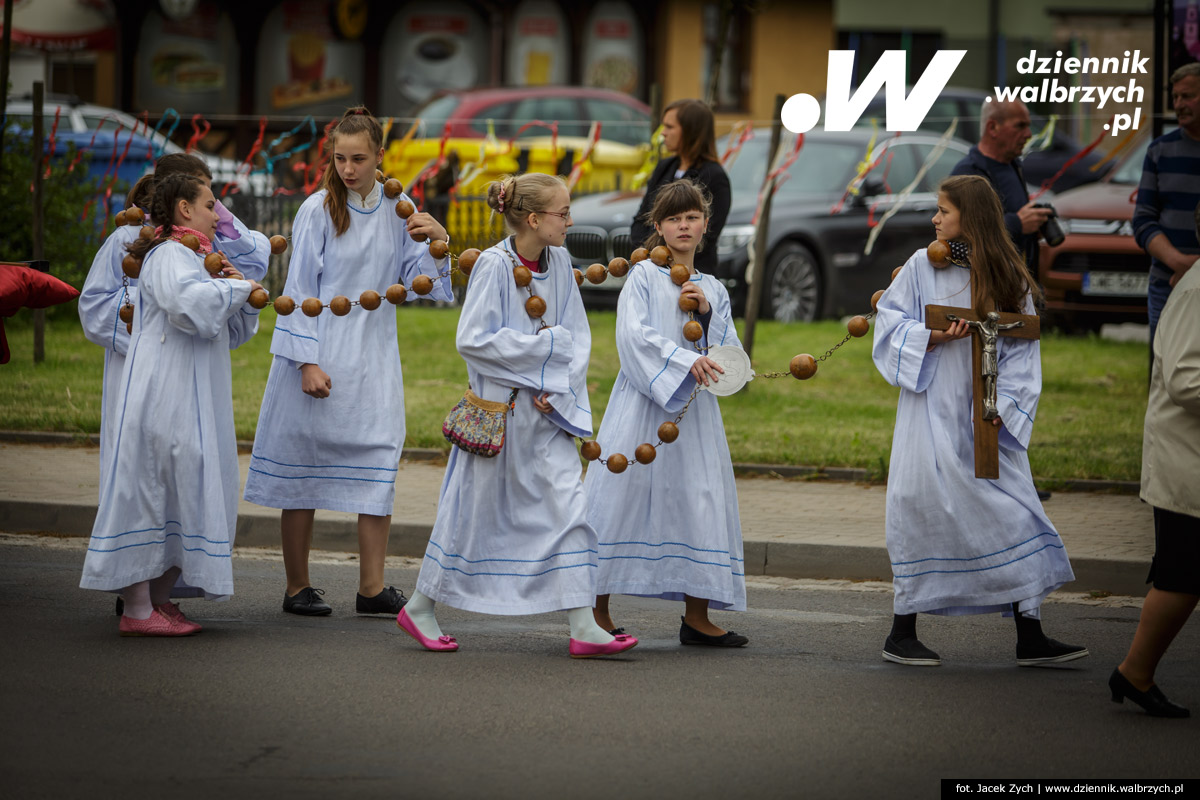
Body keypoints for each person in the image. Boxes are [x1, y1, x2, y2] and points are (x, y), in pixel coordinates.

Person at [399, 173, 637, 658]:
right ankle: (420, 605)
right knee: (470, 514)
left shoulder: (562, 261)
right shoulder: (493, 265)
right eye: (562, 213)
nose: (570, 221)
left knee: (571, 507)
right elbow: (474, 339)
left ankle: (583, 624)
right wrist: (544, 358)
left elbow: (577, 335)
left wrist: (561, 386)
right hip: (502, 420)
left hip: (547, 419)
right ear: (533, 219)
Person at [243, 107, 453, 617]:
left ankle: (372, 587)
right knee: (303, 472)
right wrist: (306, 363)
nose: (349, 169)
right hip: (319, 354)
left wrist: (439, 245)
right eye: (340, 158)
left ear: (381, 156)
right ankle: (297, 587)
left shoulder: (400, 208)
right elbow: (298, 291)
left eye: (359, 158)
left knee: (378, 461)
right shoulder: (316, 209)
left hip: (373, 355)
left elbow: (420, 284)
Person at [871, 174, 1087, 668]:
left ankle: (1029, 632)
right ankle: (901, 631)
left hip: (987, 414)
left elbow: (1023, 348)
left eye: (943, 210)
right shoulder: (925, 266)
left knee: (1014, 510)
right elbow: (890, 320)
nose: (935, 219)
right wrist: (933, 338)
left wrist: (1003, 411)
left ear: (970, 216)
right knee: (920, 505)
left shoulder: (1007, 272)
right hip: (931, 408)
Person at [78, 154, 269, 615]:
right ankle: (139, 604)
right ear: (182, 204)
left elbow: (226, 326)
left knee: (187, 483)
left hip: (195, 387)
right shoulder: (155, 249)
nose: (218, 211)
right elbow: (181, 307)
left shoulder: (196, 251)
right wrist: (145, 336)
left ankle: (160, 600)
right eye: (210, 201)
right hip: (158, 381)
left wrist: (239, 295)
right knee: (148, 484)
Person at [584, 179, 748, 647]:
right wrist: (683, 360)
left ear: (705, 226)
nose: (683, 225)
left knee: (698, 500)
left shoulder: (714, 286)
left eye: (691, 217)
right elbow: (633, 337)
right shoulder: (642, 276)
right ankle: (597, 611)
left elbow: (732, 354)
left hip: (694, 416)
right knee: (620, 497)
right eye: (673, 219)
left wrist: (710, 315)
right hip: (641, 402)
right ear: (658, 227)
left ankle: (697, 617)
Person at [1109, 201, 1200, 718]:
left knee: (1183, 576)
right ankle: (1133, 673)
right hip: (1186, 463)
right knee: (1181, 577)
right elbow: (1187, 379)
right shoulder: (1197, 291)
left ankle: (1133, 674)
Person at [950, 98, 1054, 501]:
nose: (1028, 133)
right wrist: (1016, 223)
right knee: (983, 389)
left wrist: (1030, 230)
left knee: (1016, 386)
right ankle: (980, 471)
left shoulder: (1013, 167)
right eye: (1020, 125)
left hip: (1014, 298)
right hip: (983, 301)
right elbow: (960, 242)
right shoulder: (969, 173)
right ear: (992, 127)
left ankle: (1011, 472)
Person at [1133, 62, 1200, 344]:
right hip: (1167, 283)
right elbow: (1143, 221)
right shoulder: (1159, 150)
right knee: (1164, 369)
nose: (1179, 104)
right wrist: (1180, 263)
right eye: (1175, 97)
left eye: (1187, 96)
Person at [629, 99, 730, 275]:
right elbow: (642, 218)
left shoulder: (714, 177)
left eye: (669, 127)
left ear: (691, 131)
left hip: (692, 275)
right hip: (652, 269)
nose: (663, 134)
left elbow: (705, 237)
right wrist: (650, 259)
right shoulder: (664, 167)